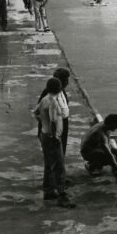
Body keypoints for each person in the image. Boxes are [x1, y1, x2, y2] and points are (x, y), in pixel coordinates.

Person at [33, 77, 76, 208]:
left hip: (44, 135)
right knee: (59, 167)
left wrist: (42, 122)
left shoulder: (44, 99)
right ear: (60, 88)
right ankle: (62, 197)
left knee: (48, 164)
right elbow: (53, 120)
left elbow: (35, 113)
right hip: (52, 138)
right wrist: (55, 136)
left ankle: (48, 191)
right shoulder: (52, 102)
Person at [38, 68, 70, 155]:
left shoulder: (61, 90)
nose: (68, 82)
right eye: (66, 80)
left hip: (63, 123)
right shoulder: (49, 93)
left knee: (61, 150)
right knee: (54, 154)